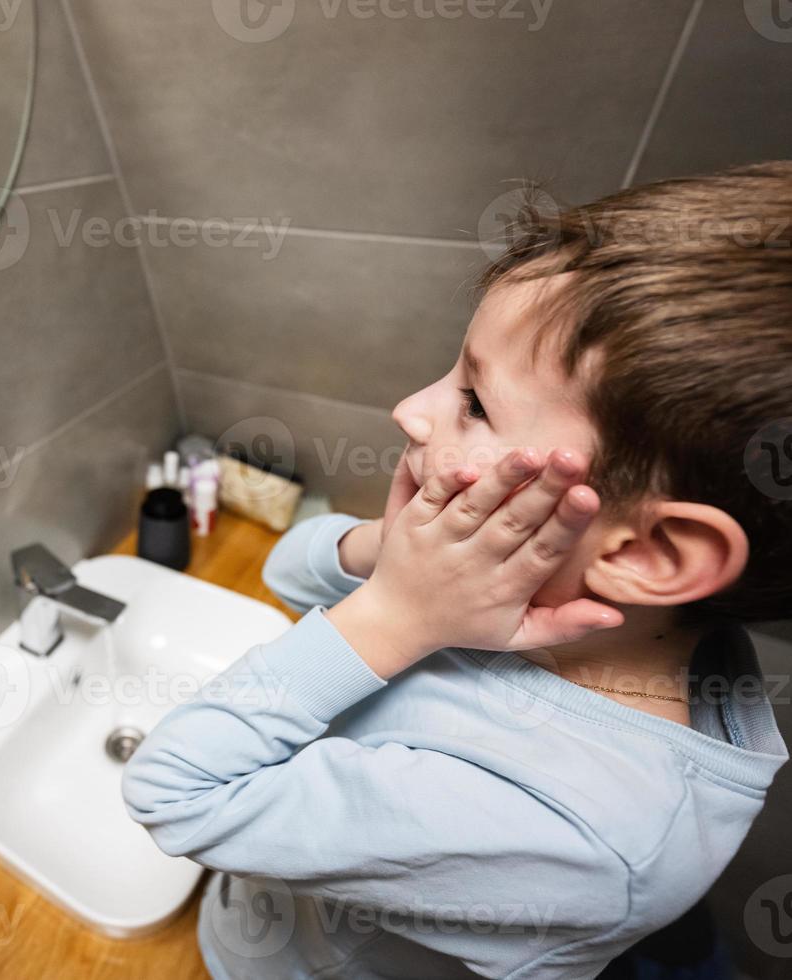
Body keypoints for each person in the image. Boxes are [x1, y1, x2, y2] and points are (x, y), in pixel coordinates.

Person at [122, 163, 792, 979]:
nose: (413, 408)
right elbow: (292, 572)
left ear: (646, 555)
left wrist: (397, 617)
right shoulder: (584, 610)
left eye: (476, 401)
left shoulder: (574, 831)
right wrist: (392, 563)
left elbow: (172, 792)